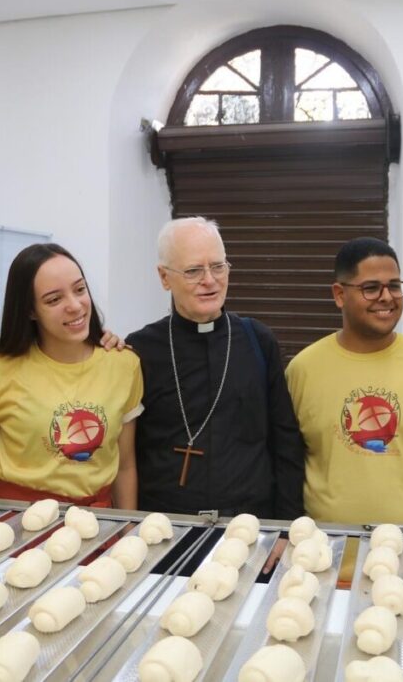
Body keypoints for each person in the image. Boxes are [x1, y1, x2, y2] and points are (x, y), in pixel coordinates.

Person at [286, 237, 403, 528]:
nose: (387, 297)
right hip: (324, 556)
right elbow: (285, 462)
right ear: (339, 294)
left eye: (395, 285)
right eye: (371, 288)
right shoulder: (303, 369)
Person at [126, 217, 305, 520]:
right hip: (166, 527)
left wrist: (285, 528)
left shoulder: (258, 341)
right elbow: (125, 454)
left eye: (218, 267)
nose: (209, 280)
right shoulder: (140, 350)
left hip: (249, 525)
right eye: (194, 270)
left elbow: (285, 443)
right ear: (164, 277)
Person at [0, 243, 142, 507]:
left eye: (80, 290)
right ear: (30, 310)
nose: (75, 306)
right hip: (18, 523)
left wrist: (127, 531)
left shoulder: (124, 365)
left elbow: (125, 466)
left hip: (98, 525)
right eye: (54, 299)